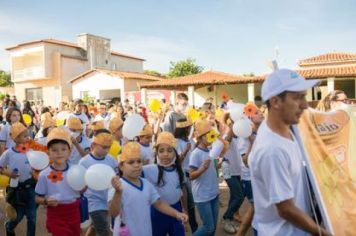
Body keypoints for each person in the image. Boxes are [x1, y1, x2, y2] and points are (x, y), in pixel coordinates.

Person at [249, 69, 331, 235]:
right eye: (298, 97)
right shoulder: (272, 150)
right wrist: (323, 233)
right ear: (275, 102)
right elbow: (286, 210)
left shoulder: (281, 127)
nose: (305, 105)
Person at [108, 142, 188, 236]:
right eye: (131, 162)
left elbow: (158, 204)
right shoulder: (118, 186)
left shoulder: (146, 183)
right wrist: (118, 192)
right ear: (121, 166)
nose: (136, 165)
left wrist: (176, 214)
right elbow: (113, 213)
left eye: (139, 161)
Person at [35, 128, 82, 236]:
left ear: (69, 151)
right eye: (54, 150)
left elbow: (82, 190)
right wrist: (46, 201)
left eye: (63, 149)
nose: (59, 152)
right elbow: (37, 198)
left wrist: (85, 185)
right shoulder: (44, 175)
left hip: (74, 212)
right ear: (48, 152)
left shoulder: (76, 170)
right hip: (55, 213)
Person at [143, 132, 187, 236]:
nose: (165, 154)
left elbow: (183, 191)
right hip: (157, 212)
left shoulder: (180, 171)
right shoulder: (150, 170)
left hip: (177, 209)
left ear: (175, 153)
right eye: (161, 151)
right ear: (156, 153)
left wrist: (185, 209)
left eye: (169, 150)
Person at [79, 129, 118, 236]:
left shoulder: (112, 160)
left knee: (95, 227)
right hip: (93, 201)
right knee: (104, 231)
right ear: (93, 145)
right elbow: (79, 181)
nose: (107, 150)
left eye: (109, 147)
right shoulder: (84, 162)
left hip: (107, 199)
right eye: (104, 147)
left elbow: (116, 176)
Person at [0, 122, 36, 236]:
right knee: (17, 217)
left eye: (28, 135)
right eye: (25, 136)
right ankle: (9, 227)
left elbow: (38, 165)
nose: (28, 138)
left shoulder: (31, 151)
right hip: (16, 189)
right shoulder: (8, 154)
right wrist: (8, 172)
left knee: (32, 217)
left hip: (31, 188)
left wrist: (36, 171)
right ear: (15, 139)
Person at [236, 103, 264, 236]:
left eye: (260, 111)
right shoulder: (245, 136)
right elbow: (246, 162)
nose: (261, 113)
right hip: (249, 179)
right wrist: (253, 142)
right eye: (257, 112)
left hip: (258, 177)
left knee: (255, 209)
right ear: (250, 118)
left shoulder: (260, 132)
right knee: (258, 210)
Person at [189, 119, 220, 236]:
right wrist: (202, 169)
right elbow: (191, 176)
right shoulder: (196, 153)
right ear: (201, 137)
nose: (211, 137)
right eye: (208, 135)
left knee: (213, 228)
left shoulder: (211, 150)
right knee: (208, 227)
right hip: (202, 196)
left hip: (214, 194)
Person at [221, 115, 244, 234]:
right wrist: (232, 124)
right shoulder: (227, 135)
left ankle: (229, 219)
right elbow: (227, 140)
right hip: (228, 170)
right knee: (239, 195)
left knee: (236, 195)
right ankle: (226, 218)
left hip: (237, 170)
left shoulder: (239, 137)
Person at [174, 118, 198, 233]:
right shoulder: (177, 142)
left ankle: (193, 226)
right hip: (184, 176)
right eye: (188, 128)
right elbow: (177, 161)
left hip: (192, 174)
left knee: (192, 203)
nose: (190, 130)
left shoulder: (190, 141)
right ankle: (193, 227)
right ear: (184, 129)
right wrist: (184, 151)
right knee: (189, 204)